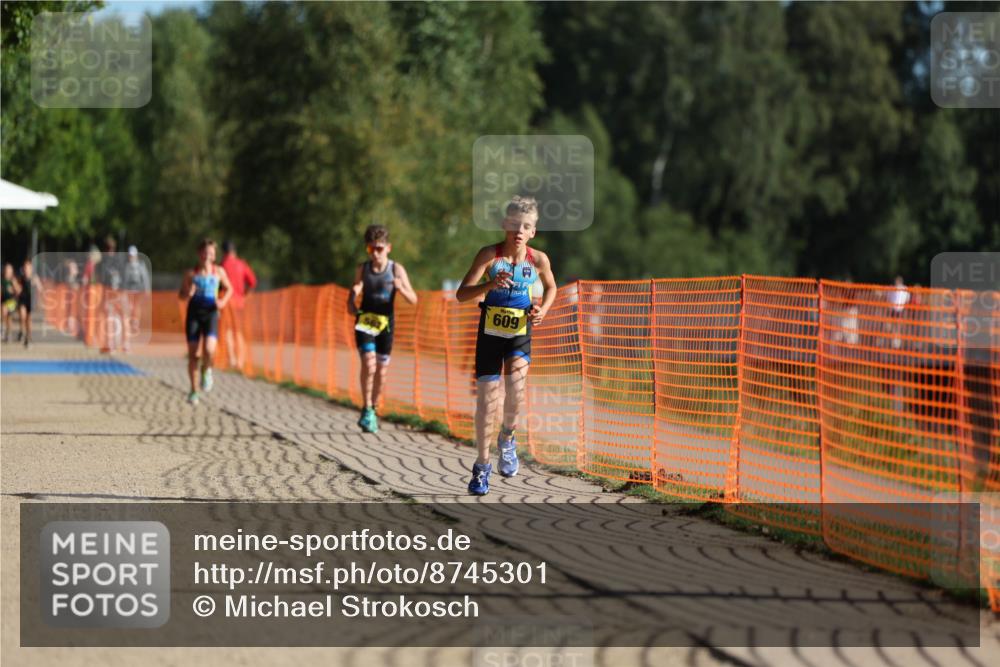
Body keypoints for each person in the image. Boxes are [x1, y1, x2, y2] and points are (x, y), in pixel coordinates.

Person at [455, 196, 557, 495]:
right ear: (504, 225)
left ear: (533, 231)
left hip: (520, 331)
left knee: (516, 389)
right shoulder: (489, 255)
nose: (519, 231)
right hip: (490, 333)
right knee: (487, 402)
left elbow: (551, 287)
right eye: (514, 225)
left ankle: (508, 438)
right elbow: (462, 294)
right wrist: (488, 285)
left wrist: (544, 310)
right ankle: (482, 466)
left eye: (526, 226)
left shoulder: (538, 260)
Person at [348, 225, 418, 433]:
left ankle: (374, 409)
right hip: (365, 321)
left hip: (386, 325)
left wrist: (401, 288)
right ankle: (366, 406)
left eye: (379, 249)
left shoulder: (397, 270)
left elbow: (414, 299)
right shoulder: (362, 269)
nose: (375, 254)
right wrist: (353, 294)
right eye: (371, 249)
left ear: (388, 248)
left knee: (381, 370)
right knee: (368, 364)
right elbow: (350, 307)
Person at [179, 239, 233, 405]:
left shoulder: (219, 272)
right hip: (194, 314)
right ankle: (194, 391)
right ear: (199, 254)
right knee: (194, 354)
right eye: (204, 252)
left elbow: (230, 289)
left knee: (209, 349)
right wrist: (188, 293)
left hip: (211, 313)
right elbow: (181, 295)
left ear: (214, 255)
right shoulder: (191, 274)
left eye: (210, 253)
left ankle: (206, 369)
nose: (207, 256)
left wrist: (222, 302)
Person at [220, 240, 257, 370]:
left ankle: (232, 360)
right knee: (239, 331)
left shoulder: (222, 265)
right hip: (240, 302)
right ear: (234, 251)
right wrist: (245, 295)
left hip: (226, 302)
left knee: (228, 331)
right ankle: (240, 361)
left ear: (224, 252)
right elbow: (252, 281)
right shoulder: (242, 264)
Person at [122, 246, 151, 352]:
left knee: (137, 306)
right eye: (130, 255)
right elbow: (124, 279)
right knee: (129, 308)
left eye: (132, 255)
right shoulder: (127, 266)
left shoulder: (141, 265)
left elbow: (145, 278)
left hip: (139, 290)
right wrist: (124, 290)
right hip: (129, 290)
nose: (131, 257)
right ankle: (131, 321)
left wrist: (147, 290)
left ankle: (135, 321)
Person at [17, 260, 42, 348]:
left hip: (31, 301)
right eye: (25, 267)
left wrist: (39, 301)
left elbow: (40, 289)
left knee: (28, 319)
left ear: (31, 269)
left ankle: (28, 336)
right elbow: (18, 288)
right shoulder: (21, 277)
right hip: (22, 300)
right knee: (23, 316)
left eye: (28, 267)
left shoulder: (34, 278)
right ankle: (22, 331)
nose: (26, 269)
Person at [2, 263, 20, 343]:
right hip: (3, 301)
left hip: (12, 301)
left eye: (9, 270)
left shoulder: (13, 280)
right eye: (6, 269)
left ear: (11, 271)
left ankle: (8, 333)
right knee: (4, 312)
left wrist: (13, 289)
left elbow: (18, 291)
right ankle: (6, 331)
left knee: (8, 315)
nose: (7, 271)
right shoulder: (2, 280)